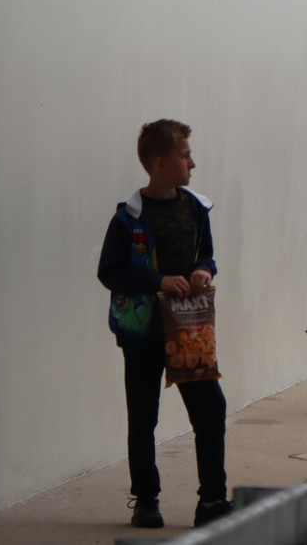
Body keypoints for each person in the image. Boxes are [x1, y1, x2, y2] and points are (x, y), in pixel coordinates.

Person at [97, 119, 231, 529]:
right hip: (142, 333)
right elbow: (109, 271)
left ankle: (211, 500)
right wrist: (156, 282)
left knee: (210, 407)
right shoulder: (127, 218)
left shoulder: (195, 207)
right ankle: (146, 500)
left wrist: (204, 272)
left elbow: (206, 254)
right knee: (143, 415)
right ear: (161, 163)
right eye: (185, 155)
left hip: (187, 330)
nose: (193, 163)